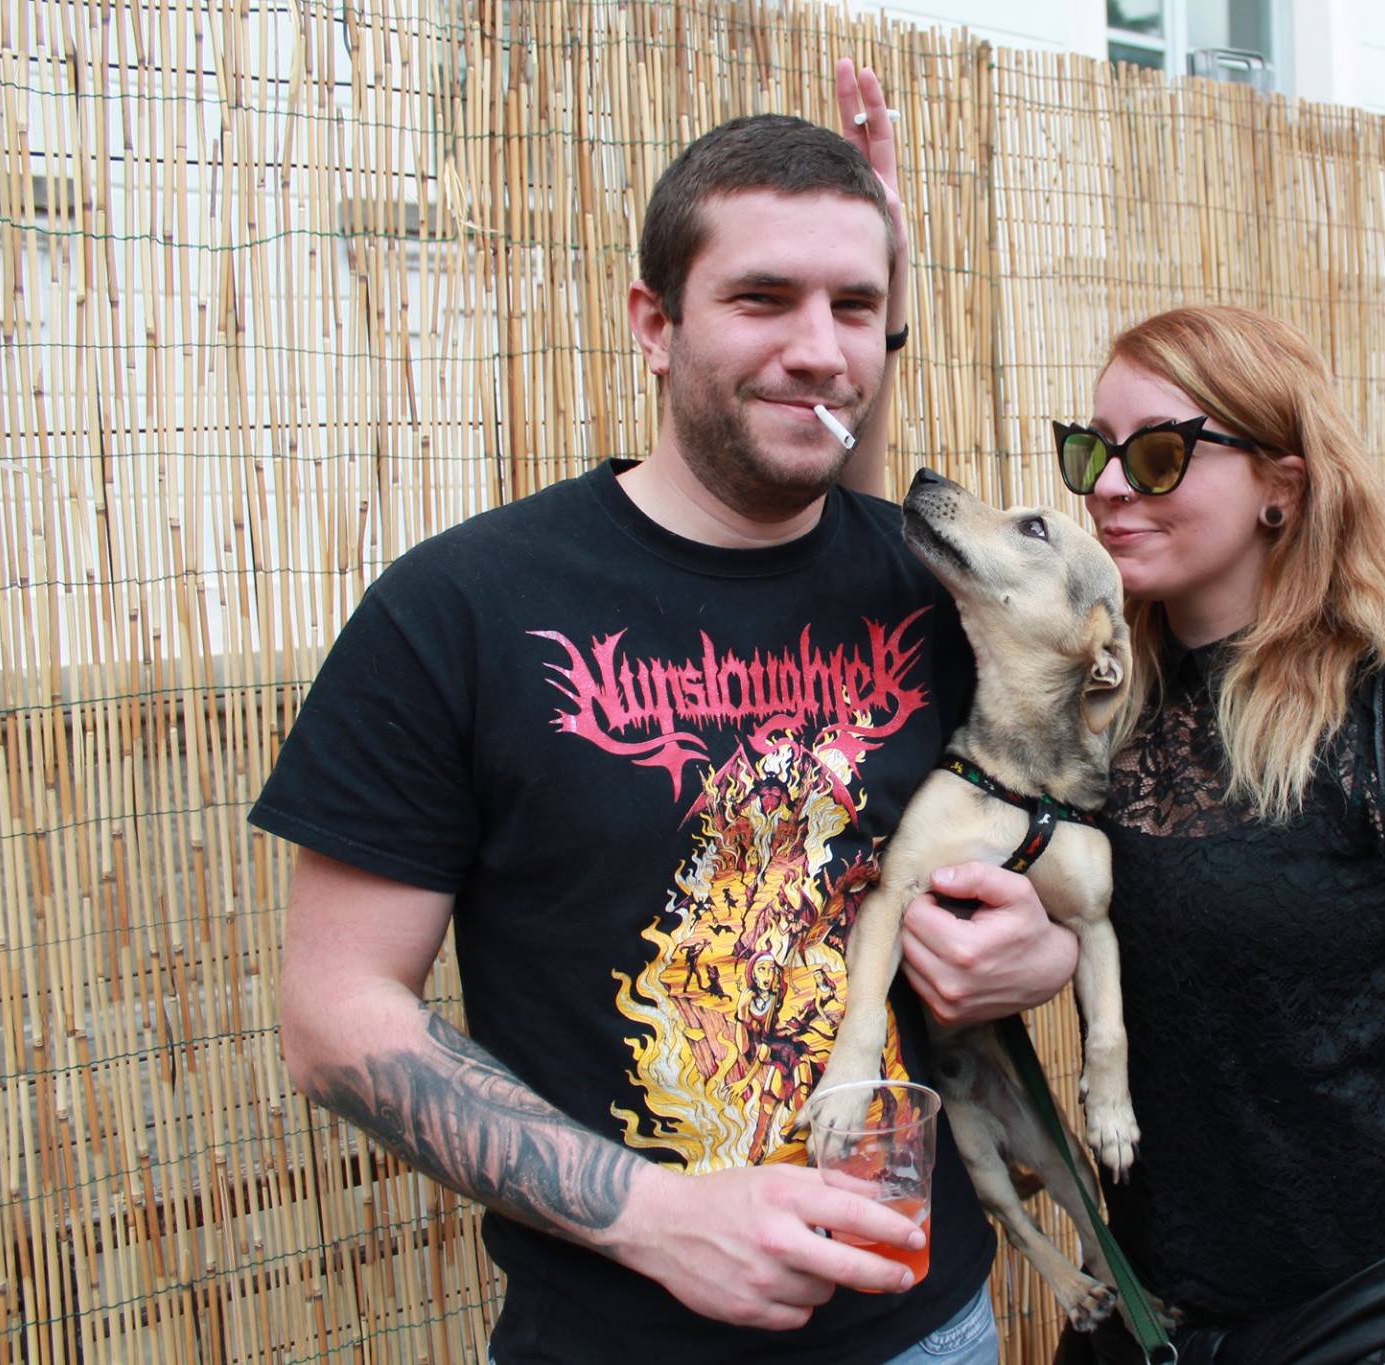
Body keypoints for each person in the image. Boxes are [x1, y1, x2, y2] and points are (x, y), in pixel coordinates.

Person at [253, 62, 1076, 1365]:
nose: (818, 347)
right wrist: (654, 1218)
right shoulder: (460, 608)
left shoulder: (933, 595)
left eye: (854, 305)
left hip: (932, 1329)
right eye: (761, 297)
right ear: (654, 322)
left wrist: (1045, 949)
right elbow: (336, 1010)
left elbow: (1046, 837)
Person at [1046, 306, 1385, 1365]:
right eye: (1092, 449)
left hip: (1370, 1317)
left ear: (1281, 485)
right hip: (1154, 1322)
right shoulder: (1095, 718)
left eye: (1158, 453)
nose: (1110, 486)